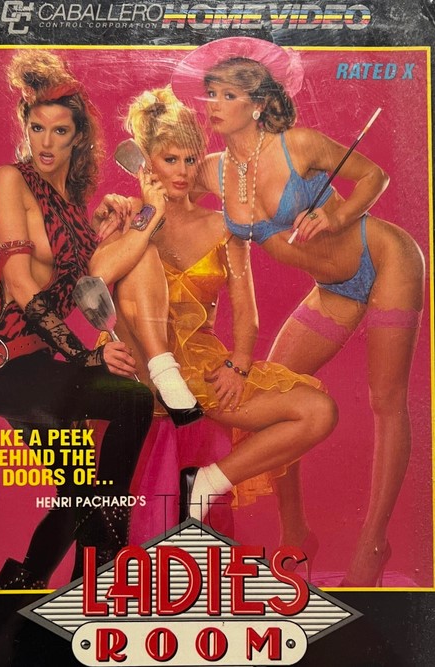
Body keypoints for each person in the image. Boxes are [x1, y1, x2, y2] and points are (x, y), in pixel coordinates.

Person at [171, 36, 425, 586]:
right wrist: (125, 206)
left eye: (227, 94)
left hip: (385, 258)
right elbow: (161, 186)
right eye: (210, 93)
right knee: (280, 394)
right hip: (333, 289)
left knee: (385, 400)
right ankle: (295, 533)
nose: (213, 104)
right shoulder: (212, 170)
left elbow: (374, 176)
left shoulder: (299, 145)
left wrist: (336, 218)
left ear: (258, 103)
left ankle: (374, 541)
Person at [90, 86, 338, 552]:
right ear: (146, 163)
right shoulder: (129, 216)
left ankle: (204, 485)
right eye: (170, 160)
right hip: (143, 367)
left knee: (318, 411)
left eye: (190, 159)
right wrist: (149, 215)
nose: (183, 172)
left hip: (199, 373)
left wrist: (239, 364)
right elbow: (97, 279)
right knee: (141, 258)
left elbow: (247, 313)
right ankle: (165, 374)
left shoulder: (225, 225)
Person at [0, 50, 155, 589]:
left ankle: (15, 600)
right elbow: (22, 284)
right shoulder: (10, 180)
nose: (45, 142)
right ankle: (105, 559)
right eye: (36, 128)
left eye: (60, 131)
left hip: (38, 364)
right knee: (131, 402)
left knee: (77, 496)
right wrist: (85, 355)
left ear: (77, 137)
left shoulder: (71, 203)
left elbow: (78, 281)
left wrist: (112, 224)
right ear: (25, 127)